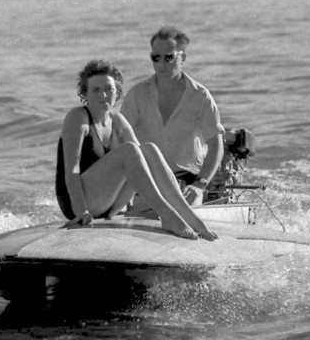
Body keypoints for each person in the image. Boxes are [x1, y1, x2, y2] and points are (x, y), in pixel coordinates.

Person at [55, 59, 217, 241]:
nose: (104, 95)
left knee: (149, 149)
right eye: (95, 90)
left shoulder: (117, 122)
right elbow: (71, 170)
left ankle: (190, 217)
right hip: (77, 204)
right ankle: (168, 216)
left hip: (110, 205)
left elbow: (142, 163)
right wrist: (81, 211)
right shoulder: (78, 118)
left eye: (109, 89)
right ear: (85, 94)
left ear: (117, 92)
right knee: (129, 150)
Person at [121, 27, 225, 207]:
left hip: (187, 185)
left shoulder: (201, 96)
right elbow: (120, 141)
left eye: (169, 57)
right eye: (156, 58)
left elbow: (216, 144)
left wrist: (200, 186)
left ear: (182, 57)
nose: (162, 63)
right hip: (146, 183)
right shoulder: (137, 95)